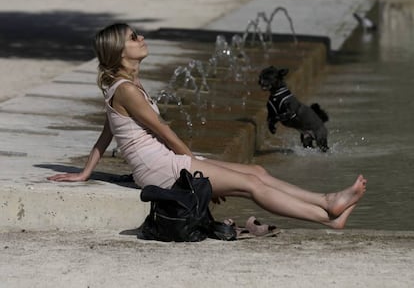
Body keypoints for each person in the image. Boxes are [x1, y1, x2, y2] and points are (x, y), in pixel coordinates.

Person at [48, 23, 367, 229]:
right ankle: (326, 217)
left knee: (257, 172)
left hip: (165, 162)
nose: (142, 38)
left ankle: (326, 201)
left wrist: (87, 171)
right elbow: (165, 132)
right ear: (119, 51)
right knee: (252, 186)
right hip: (161, 169)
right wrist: (196, 175)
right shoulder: (127, 90)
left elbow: (108, 132)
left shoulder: (126, 84)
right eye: (134, 38)